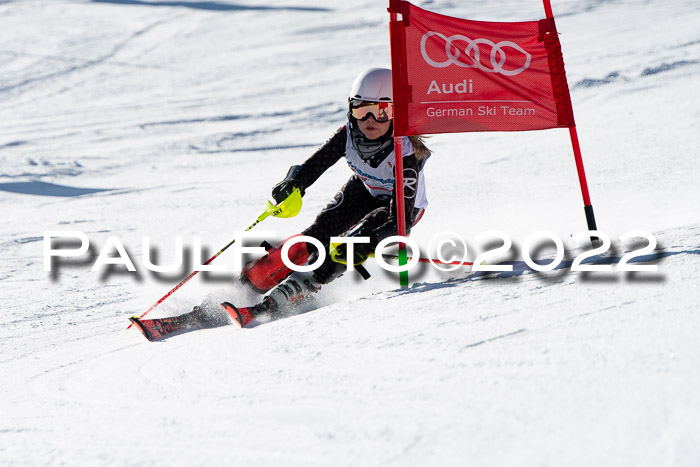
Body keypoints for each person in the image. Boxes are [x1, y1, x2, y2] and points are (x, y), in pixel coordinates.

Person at [221, 68, 430, 326]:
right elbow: (314, 166)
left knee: (348, 246)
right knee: (312, 238)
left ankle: (291, 294)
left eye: (381, 111)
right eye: (360, 109)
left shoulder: (406, 154)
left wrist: (372, 241)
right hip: (364, 190)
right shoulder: (348, 135)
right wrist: (294, 183)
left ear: (398, 114)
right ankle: (243, 288)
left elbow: (401, 223)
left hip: (398, 208)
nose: (369, 119)